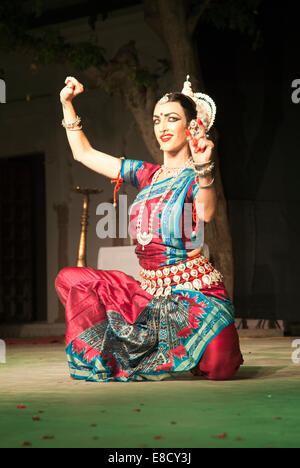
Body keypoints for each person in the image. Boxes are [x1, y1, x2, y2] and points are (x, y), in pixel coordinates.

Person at [55, 75, 244, 382]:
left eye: (172, 119)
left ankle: (189, 348)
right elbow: (84, 154)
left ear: (192, 126)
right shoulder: (147, 174)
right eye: (158, 120)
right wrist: (67, 103)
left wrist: (205, 168)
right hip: (149, 295)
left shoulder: (197, 174)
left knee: (220, 366)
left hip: (192, 294)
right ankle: (166, 350)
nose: (162, 127)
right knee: (71, 278)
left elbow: (207, 212)